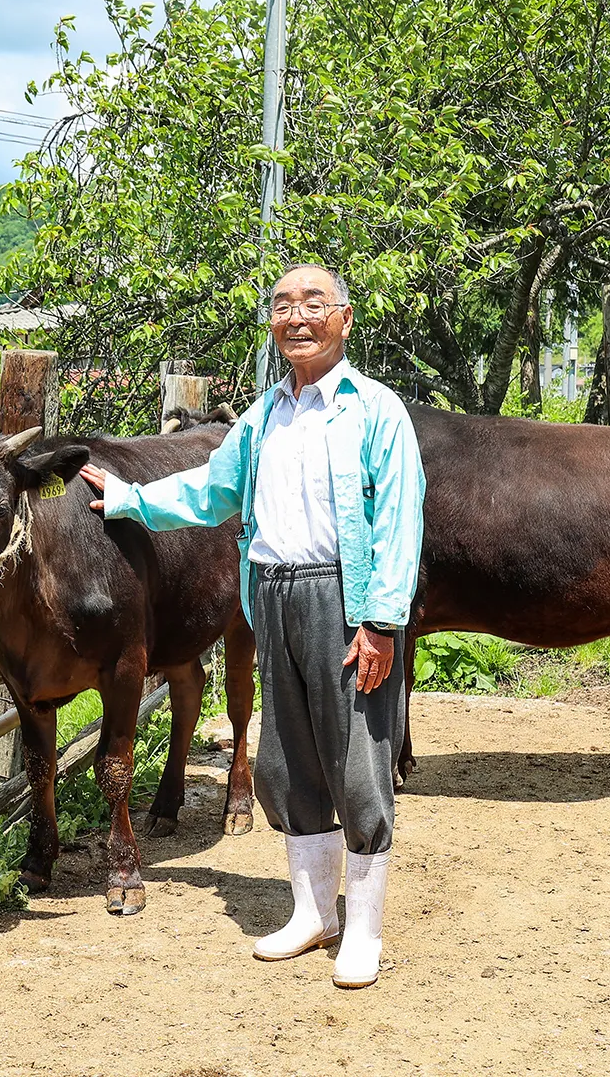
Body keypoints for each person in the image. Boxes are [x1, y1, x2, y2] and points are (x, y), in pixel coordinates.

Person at [80, 264, 425, 988]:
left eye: (313, 304)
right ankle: (313, 914)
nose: (297, 318)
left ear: (345, 318)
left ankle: (361, 928)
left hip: (347, 599)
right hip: (270, 595)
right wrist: (128, 498)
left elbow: (399, 522)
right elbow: (211, 491)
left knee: (358, 766)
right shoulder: (265, 414)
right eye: (283, 306)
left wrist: (383, 621)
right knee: (286, 765)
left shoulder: (376, 410)